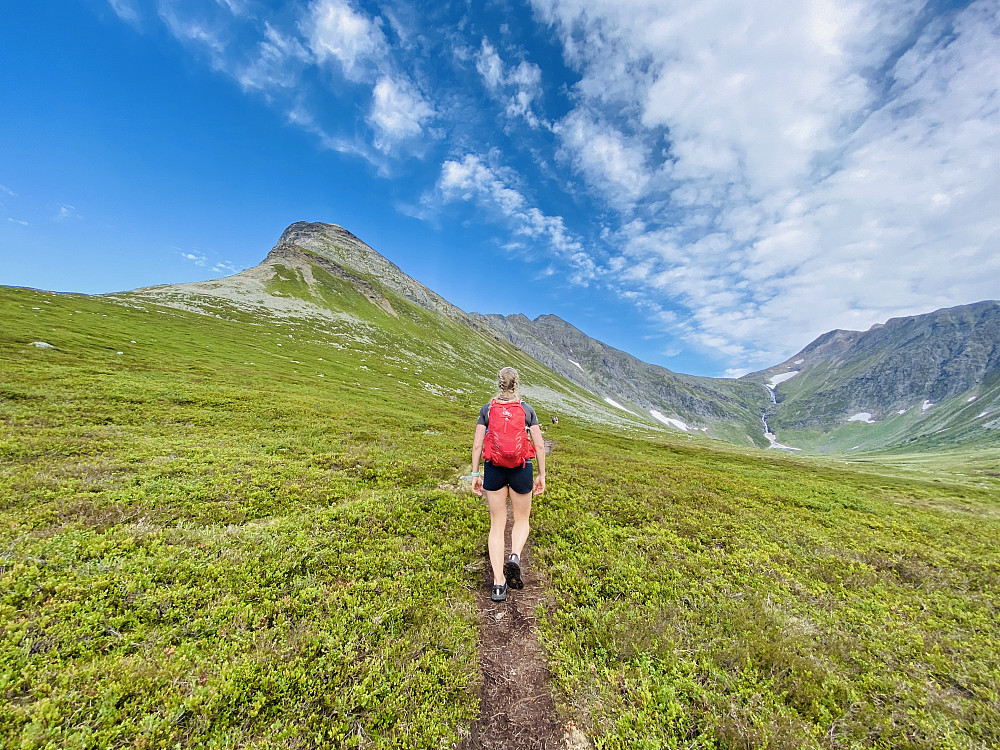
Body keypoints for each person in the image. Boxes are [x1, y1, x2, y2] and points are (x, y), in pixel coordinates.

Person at [470, 367, 546, 602]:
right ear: (517, 384)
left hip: (494, 470)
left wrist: (475, 474)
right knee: (522, 519)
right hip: (521, 470)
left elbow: (477, 445)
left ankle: (498, 584)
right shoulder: (526, 409)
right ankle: (514, 555)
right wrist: (542, 474)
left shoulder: (487, 409)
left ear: (499, 384)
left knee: (497, 524)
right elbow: (540, 445)